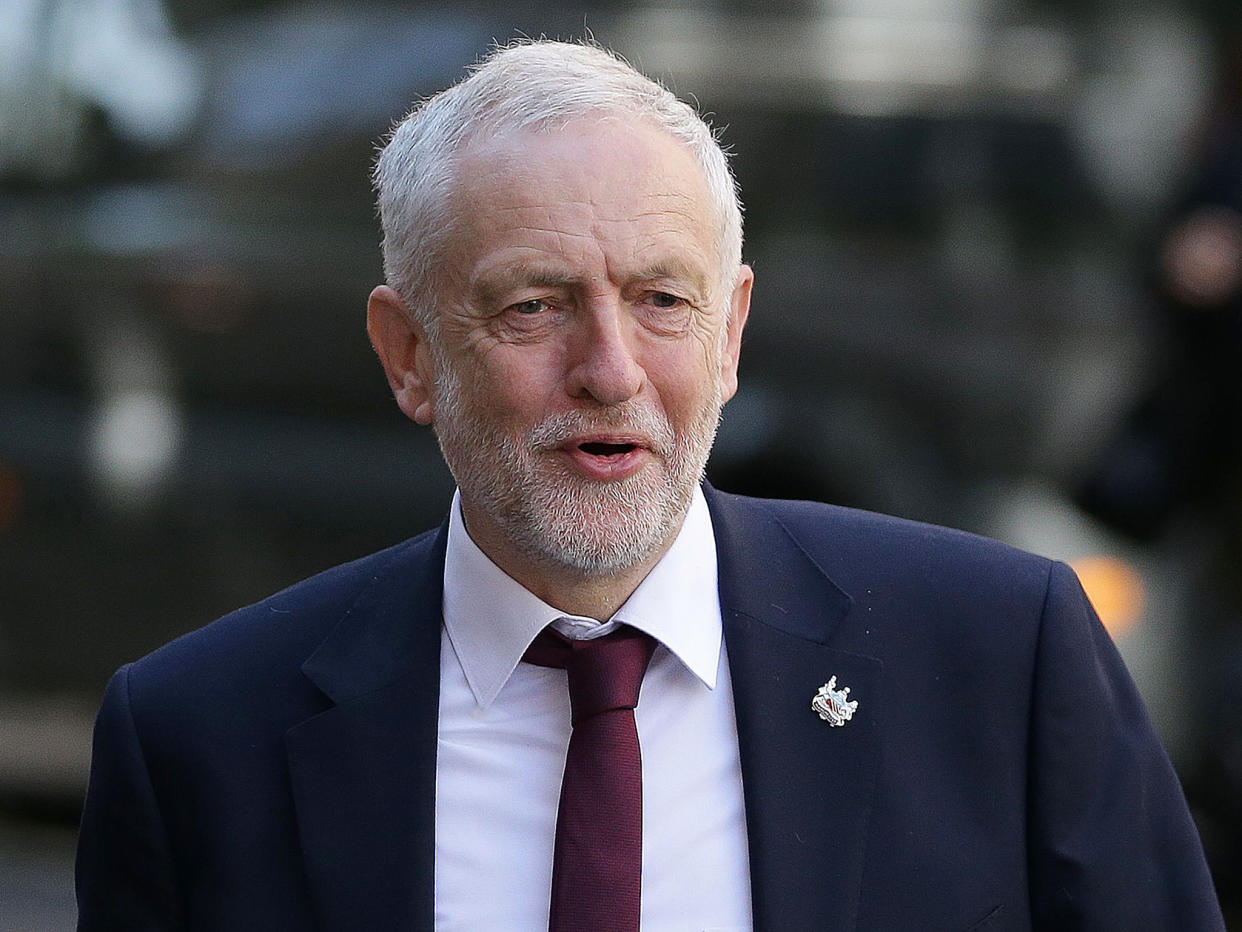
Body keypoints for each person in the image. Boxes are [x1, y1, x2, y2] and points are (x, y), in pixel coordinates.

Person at [75, 39, 1224, 930]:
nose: (612, 368)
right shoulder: (200, 741)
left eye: (662, 300)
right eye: (534, 303)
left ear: (731, 333)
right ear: (409, 353)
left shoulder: (1002, 660)